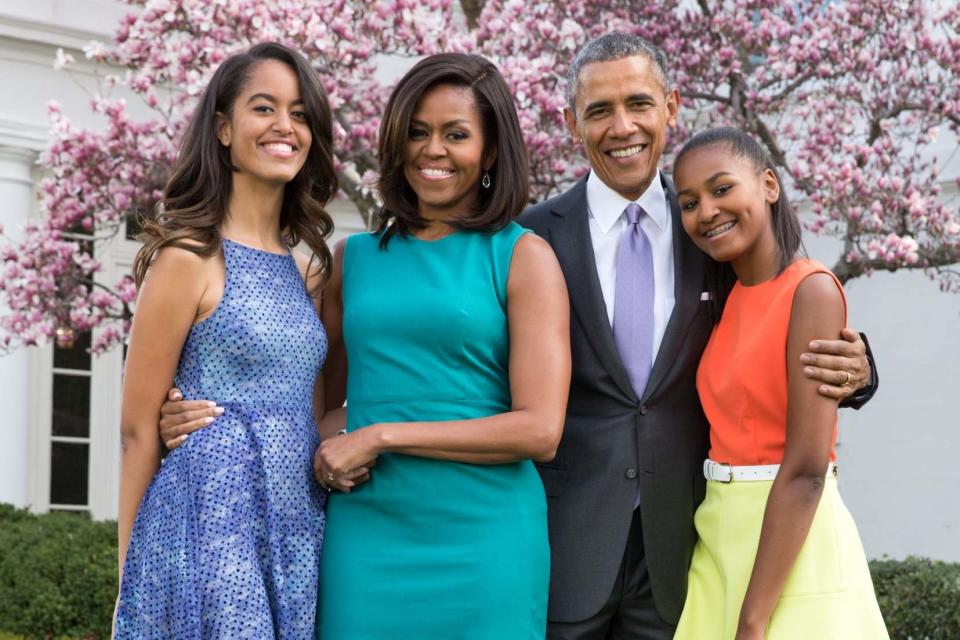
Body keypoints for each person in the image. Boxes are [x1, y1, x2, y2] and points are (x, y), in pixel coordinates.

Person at [157, 53, 570, 638]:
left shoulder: (524, 257)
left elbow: (540, 429)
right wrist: (204, 414)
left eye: (456, 135)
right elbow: (310, 408)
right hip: (366, 537)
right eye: (418, 132)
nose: (434, 150)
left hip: (487, 541)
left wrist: (379, 434)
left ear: (492, 152)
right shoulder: (350, 261)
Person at [516, 33, 878, 639]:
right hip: (567, 547)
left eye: (639, 103)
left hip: (685, 551)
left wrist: (860, 371)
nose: (622, 126)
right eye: (599, 110)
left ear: (672, 107)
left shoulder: (712, 230)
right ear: (571, 124)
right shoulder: (531, 238)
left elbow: (781, 308)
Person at [114, 43, 339, 639]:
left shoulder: (309, 272)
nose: (284, 127)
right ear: (222, 128)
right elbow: (139, 430)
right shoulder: (188, 257)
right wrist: (129, 585)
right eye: (263, 108)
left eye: (299, 113)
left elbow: (311, 411)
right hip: (208, 525)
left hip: (297, 524)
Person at [670, 127, 887, 639]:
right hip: (719, 537)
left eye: (722, 189)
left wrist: (754, 619)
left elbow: (808, 468)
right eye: (689, 202)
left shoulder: (810, 290)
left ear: (768, 185)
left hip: (794, 542)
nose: (706, 212)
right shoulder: (723, 300)